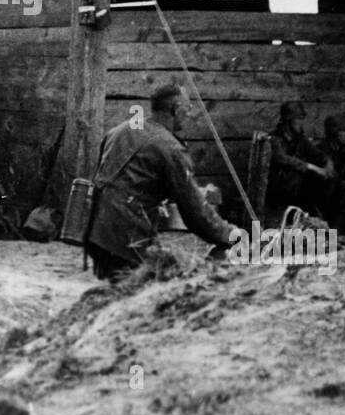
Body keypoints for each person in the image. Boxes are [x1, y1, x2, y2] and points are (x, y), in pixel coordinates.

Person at [85, 82, 238, 282]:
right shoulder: (170, 148)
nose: (189, 114)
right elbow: (195, 213)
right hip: (126, 242)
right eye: (188, 108)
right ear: (176, 109)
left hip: (96, 232)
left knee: (115, 291)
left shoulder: (120, 130)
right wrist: (229, 233)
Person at [266, 99, 339, 220]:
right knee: (298, 178)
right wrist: (313, 167)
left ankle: (319, 218)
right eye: (298, 119)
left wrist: (328, 164)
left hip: (298, 182)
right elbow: (283, 159)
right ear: (288, 120)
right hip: (280, 185)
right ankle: (294, 217)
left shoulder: (299, 138)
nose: (301, 123)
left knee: (330, 178)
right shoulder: (275, 137)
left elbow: (318, 154)